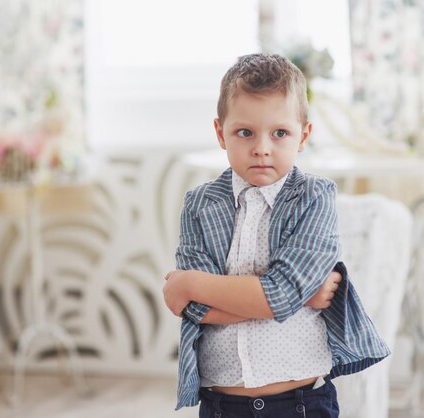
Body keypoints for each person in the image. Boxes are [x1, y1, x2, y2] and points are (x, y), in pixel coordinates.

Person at [162, 53, 390, 418]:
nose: (262, 147)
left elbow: (279, 294)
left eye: (279, 133)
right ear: (221, 133)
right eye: (245, 132)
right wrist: (298, 298)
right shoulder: (199, 205)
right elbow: (197, 309)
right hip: (221, 403)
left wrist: (189, 283)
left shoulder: (314, 197)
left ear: (304, 135)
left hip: (300, 401)